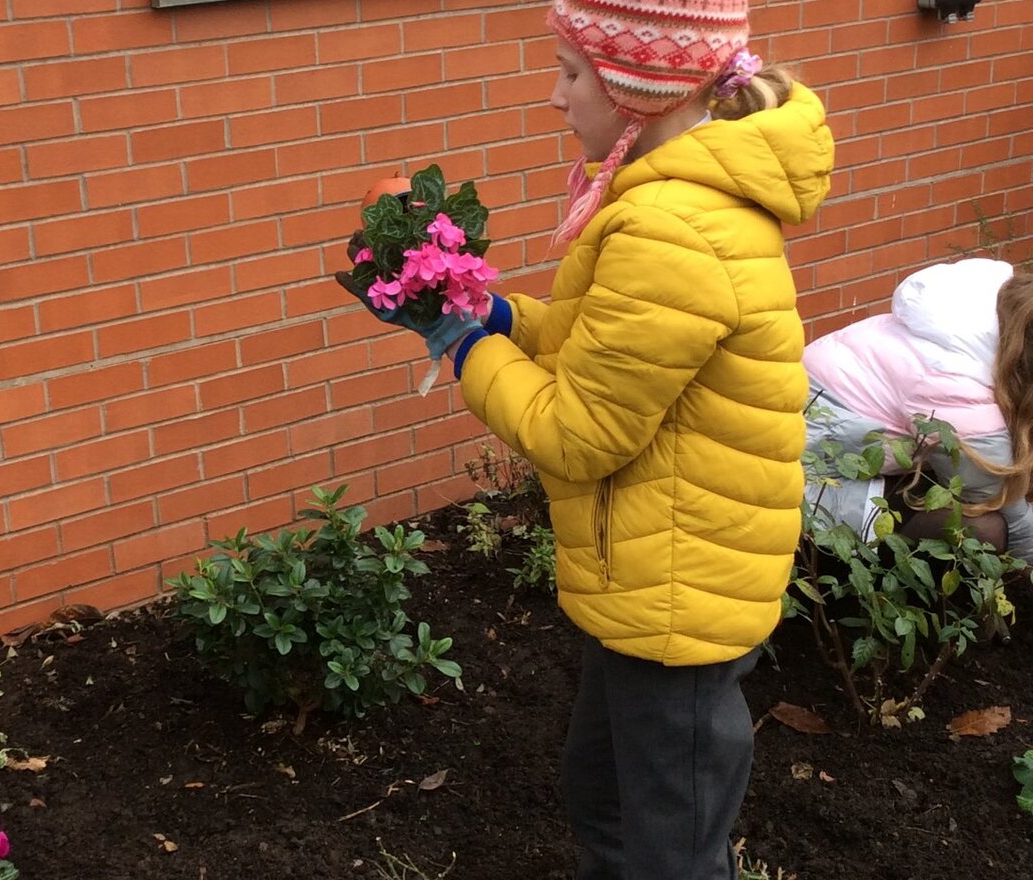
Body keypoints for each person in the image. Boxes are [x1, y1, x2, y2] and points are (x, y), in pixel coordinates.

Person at [335, 1, 834, 877]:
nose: (555, 96)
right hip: (652, 572)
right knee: (604, 797)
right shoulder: (666, 203)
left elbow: (580, 431)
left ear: (637, 91)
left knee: (668, 849)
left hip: (677, 595)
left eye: (571, 73)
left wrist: (465, 350)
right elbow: (596, 350)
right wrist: (488, 313)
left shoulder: (673, 230)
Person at [803, 259, 1033, 561]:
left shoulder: (978, 318)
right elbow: (998, 494)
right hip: (809, 484)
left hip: (853, 451)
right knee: (989, 528)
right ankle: (880, 585)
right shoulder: (952, 378)